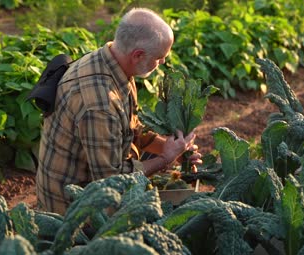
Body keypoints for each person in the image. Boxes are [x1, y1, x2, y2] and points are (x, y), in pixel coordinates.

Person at [36, 7, 202, 215]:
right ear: (138, 55)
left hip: (95, 177)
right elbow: (112, 179)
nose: (163, 63)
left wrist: (171, 148)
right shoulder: (99, 104)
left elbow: (132, 128)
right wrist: (165, 160)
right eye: (159, 58)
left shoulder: (113, 62)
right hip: (72, 211)